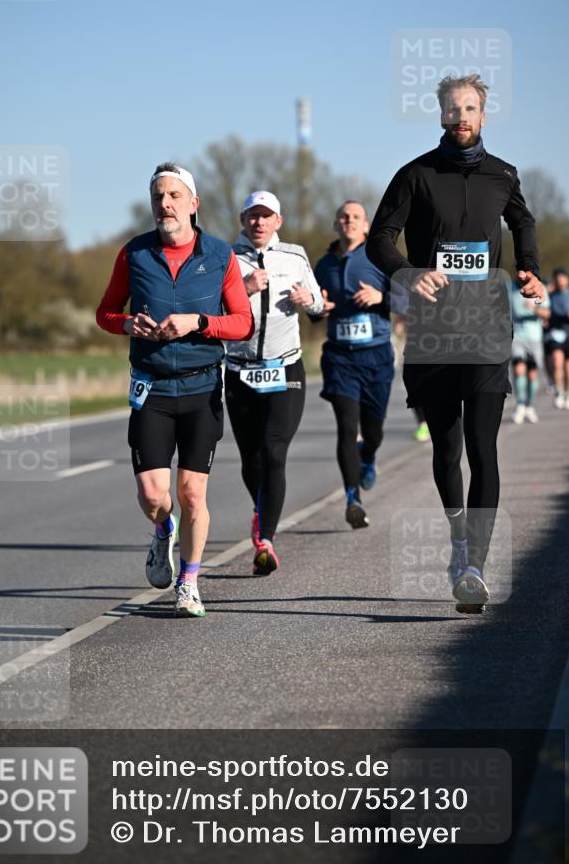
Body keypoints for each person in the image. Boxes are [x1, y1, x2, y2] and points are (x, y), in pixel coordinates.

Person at [366, 73, 544, 612]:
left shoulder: (503, 175)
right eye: (452, 108)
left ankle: (474, 566)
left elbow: (525, 222)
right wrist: (407, 272)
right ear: (441, 115)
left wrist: (530, 270)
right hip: (434, 335)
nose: (461, 116)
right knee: (446, 451)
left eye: (470, 108)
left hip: (488, 329)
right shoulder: (415, 175)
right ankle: (459, 539)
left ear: (483, 115)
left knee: (482, 449)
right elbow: (379, 238)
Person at [96, 163, 253, 618]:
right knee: (152, 494)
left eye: (173, 196)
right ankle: (163, 528)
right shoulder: (134, 254)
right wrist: (128, 323)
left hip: (202, 387)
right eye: (158, 197)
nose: (164, 204)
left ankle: (188, 582)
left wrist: (199, 323)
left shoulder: (220, 255)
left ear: (193, 203)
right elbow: (105, 311)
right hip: (151, 387)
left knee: (192, 494)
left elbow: (243, 323)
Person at [225, 191, 324, 575]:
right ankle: (261, 509)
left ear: (278, 222)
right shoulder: (226, 259)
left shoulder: (295, 256)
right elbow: (211, 309)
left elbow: (318, 303)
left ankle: (265, 539)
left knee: (274, 450)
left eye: (266, 217)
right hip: (239, 369)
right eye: (253, 216)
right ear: (242, 219)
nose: (259, 223)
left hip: (285, 368)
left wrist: (308, 299)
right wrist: (243, 288)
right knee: (250, 458)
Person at [313, 201, 394, 529]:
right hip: (340, 357)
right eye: (343, 217)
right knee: (347, 427)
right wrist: (317, 308)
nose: (348, 221)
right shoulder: (323, 265)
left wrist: (381, 298)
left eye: (355, 217)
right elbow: (313, 309)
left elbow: (409, 298)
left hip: (376, 356)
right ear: (336, 225)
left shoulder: (380, 258)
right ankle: (352, 499)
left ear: (366, 226)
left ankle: (369, 456)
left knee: (372, 431)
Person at [509, 277, 551, 423]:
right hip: (517, 337)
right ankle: (520, 404)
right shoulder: (510, 287)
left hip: (534, 338)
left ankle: (530, 406)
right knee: (518, 370)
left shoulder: (540, 287)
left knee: (532, 374)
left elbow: (547, 313)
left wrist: (533, 308)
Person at [545, 267, 569, 410]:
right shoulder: (550, 295)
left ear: (567, 279)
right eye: (557, 278)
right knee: (557, 362)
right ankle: (558, 392)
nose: (560, 280)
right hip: (555, 333)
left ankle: (568, 392)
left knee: (568, 366)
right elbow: (544, 310)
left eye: (562, 277)